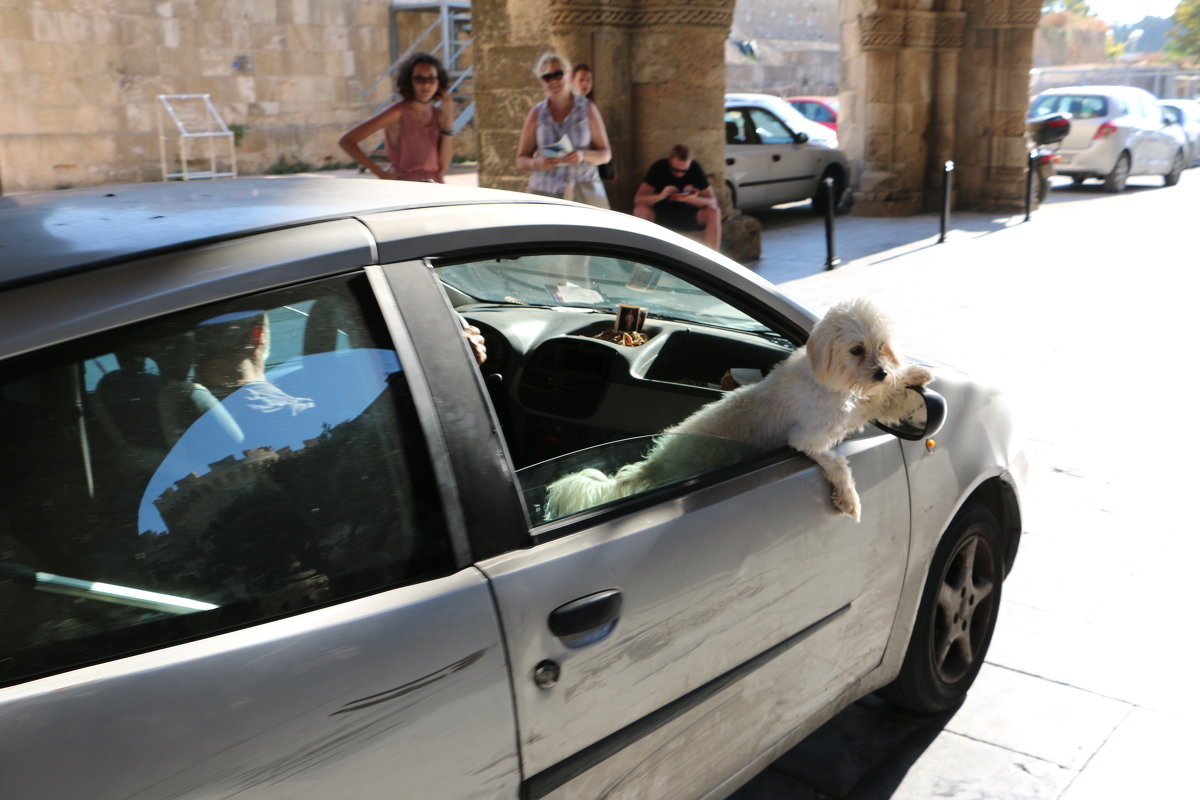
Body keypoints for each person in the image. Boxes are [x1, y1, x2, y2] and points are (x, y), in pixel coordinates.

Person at [338, 52, 455, 183]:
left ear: (439, 83)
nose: (426, 85)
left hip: (436, 187)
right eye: (419, 79)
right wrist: (380, 173)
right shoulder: (397, 112)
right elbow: (347, 141)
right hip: (406, 188)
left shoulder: (438, 115)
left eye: (431, 79)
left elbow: (443, 166)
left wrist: (448, 117)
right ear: (409, 81)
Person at [516, 52, 611, 207]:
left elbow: (605, 155)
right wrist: (537, 163)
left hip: (584, 189)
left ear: (568, 75)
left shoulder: (587, 109)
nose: (553, 80)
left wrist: (583, 155)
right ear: (542, 81)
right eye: (547, 77)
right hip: (545, 191)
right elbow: (521, 159)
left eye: (558, 74)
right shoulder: (536, 113)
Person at [633, 143, 721, 251]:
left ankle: (712, 259)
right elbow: (638, 199)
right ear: (669, 161)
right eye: (675, 170)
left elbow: (713, 201)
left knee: (714, 212)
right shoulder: (659, 167)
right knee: (640, 210)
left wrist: (692, 199)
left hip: (688, 215)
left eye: (684, 171)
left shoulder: (695, 168)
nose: (680, 174)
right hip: (661, 214)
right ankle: (641, 253)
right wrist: (661, 196)